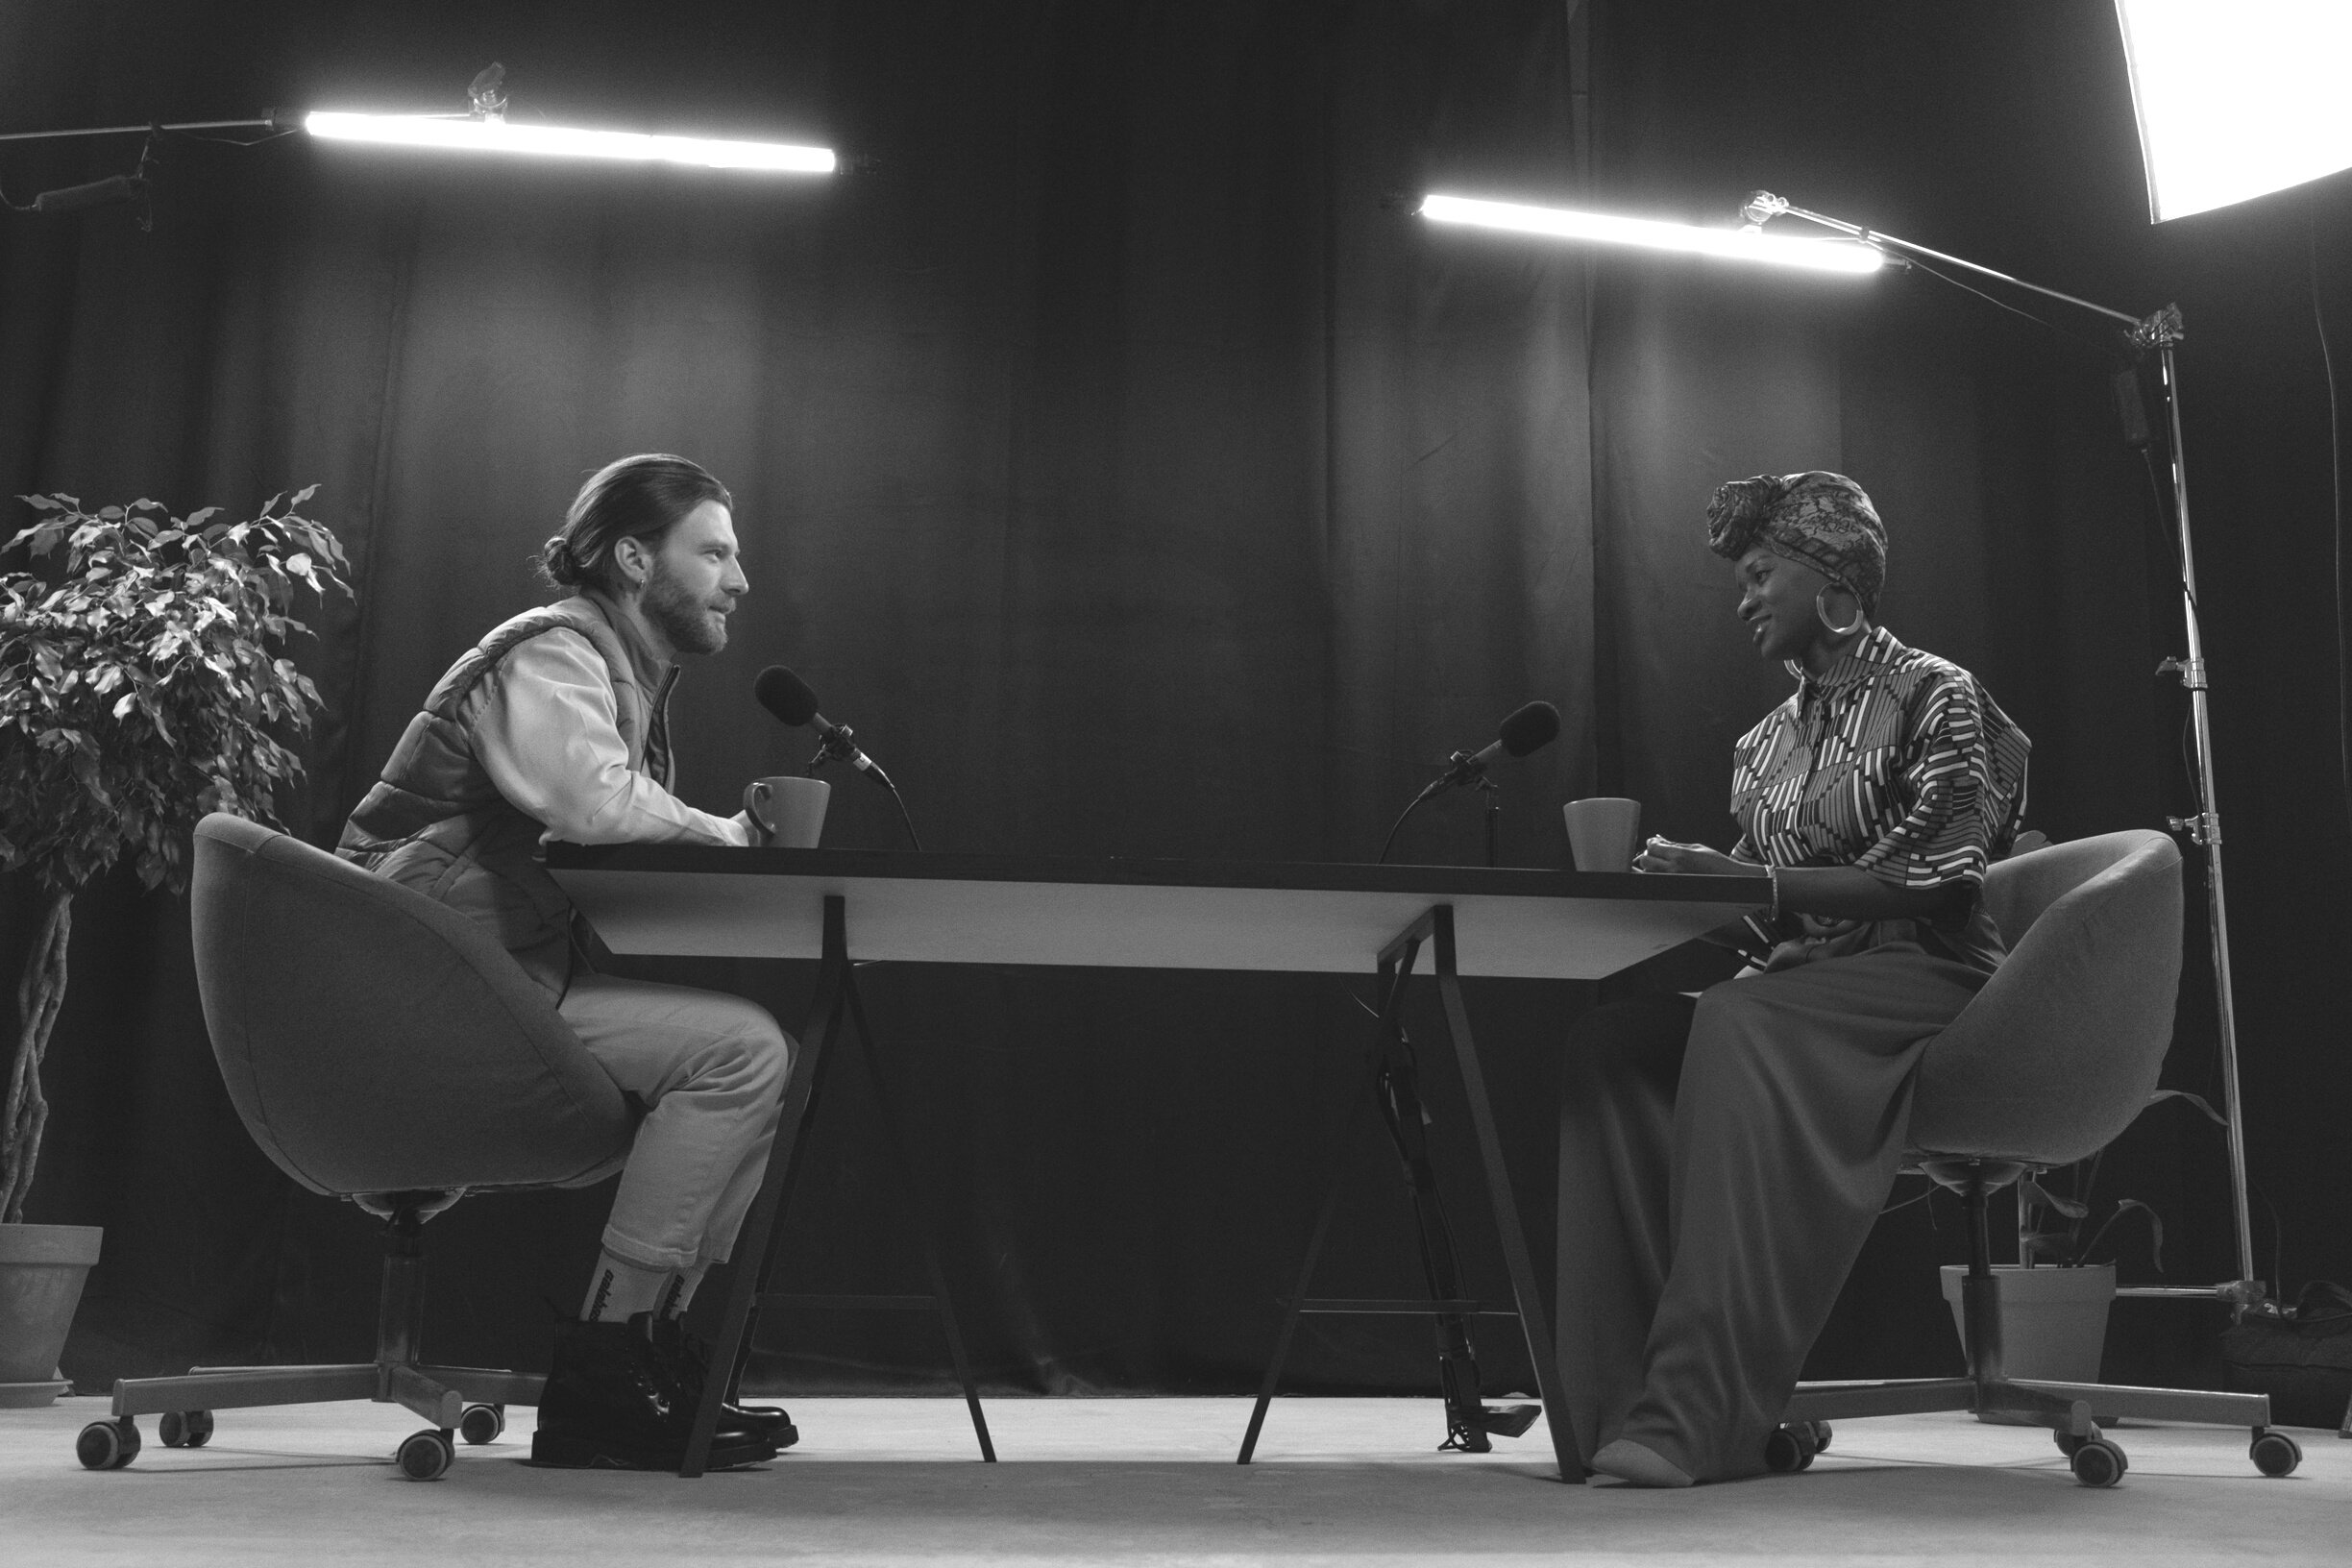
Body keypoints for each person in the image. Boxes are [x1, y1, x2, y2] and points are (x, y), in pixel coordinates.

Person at [1556, 470, 2030, 1487]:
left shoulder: (1935, 693)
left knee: (1734, 1022)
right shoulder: (1761, 746)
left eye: (1760, 573)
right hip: (1805, 981)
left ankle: (1694, 1418)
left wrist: (1756, 881)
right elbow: (1776, 907)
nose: (1741, 598)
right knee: (1618, 1044)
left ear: (1832, 580)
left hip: (1928, 977)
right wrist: (1680, 891)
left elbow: (1930, 874)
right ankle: (1610, 1412)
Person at [339, 453, 796, 1471]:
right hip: (423, 987)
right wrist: (731, 842)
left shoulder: (619, 671)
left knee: (762, 1062)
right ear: (634, 559)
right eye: (714, 551)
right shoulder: (551, 654)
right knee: (743, 1054)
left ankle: (654, 1354)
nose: (740, 579)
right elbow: (592, 804)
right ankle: (604, 1368)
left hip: (488, 976)